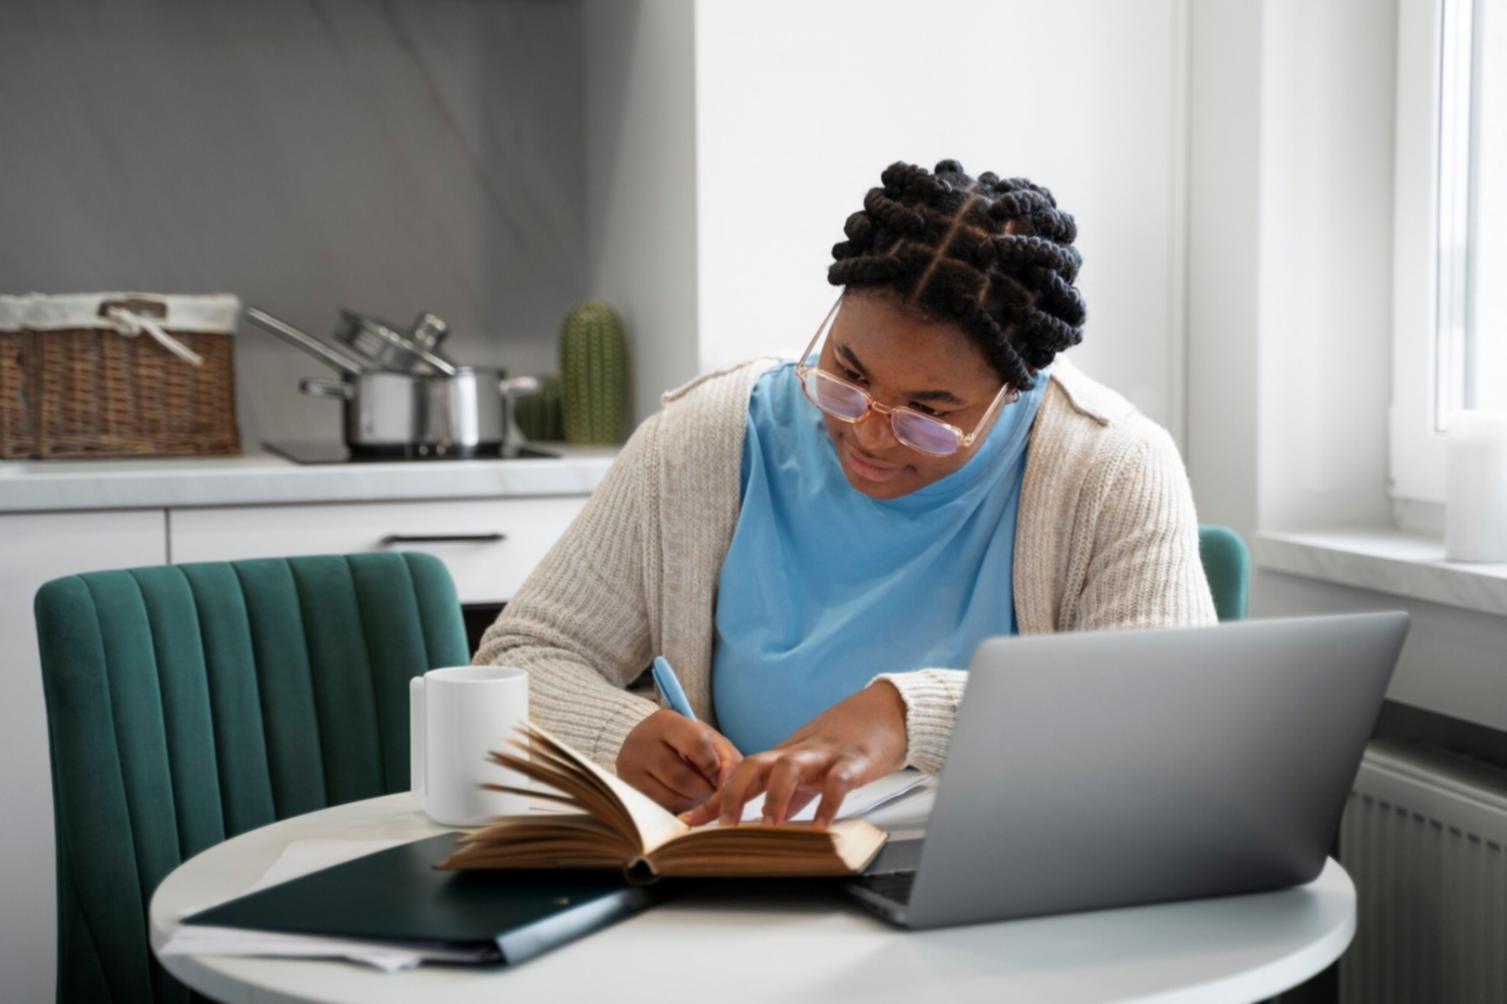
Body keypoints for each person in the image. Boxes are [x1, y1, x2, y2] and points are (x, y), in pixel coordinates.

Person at [475, 159, 1214, 830]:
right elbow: (519, 658)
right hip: (750, 881)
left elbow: (1164, 716)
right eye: (846, 376)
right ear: (828, 322)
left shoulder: (1111, 466)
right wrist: (618, 731)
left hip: (1003, 887)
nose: (869, 435)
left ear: (1015, 391)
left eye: (927, 415)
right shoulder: (705, 439)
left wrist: (907, 717)